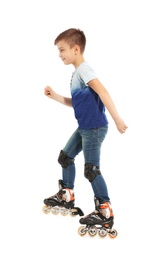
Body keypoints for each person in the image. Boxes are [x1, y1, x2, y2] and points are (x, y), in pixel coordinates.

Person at [44, 28, 128, 229]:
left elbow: (103, 91)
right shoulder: (76, 75)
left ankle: (104, 211)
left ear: (76, 48)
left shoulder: (85, 70)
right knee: (65, 157)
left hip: (95, 128)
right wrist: (55, 96)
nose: (60, 55)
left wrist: (117, 118)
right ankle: (67, 196)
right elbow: (77, 103)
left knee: (91, 170)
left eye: (62, 50)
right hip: (85, 127)